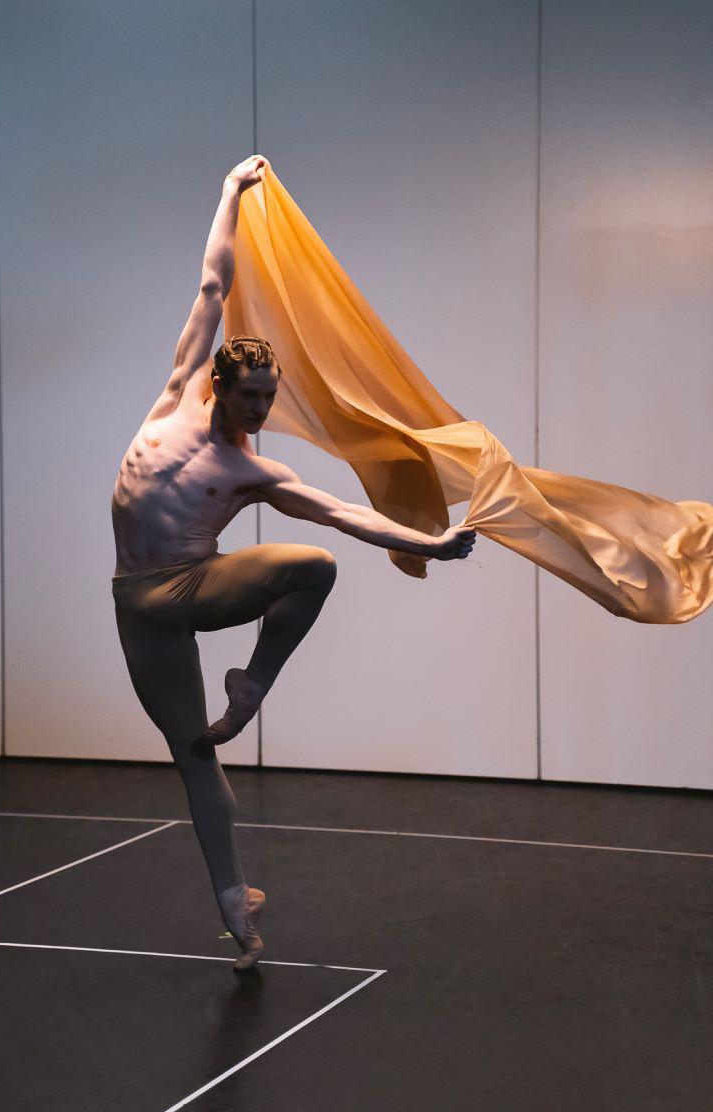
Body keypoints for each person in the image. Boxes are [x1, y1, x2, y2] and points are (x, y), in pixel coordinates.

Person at [111, 155, 475, 969]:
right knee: (192, 755)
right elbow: (213, 285)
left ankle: (254, 684)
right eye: (251, 399)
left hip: (192, 585)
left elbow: (346, 515)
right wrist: (230, 193)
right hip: (135, 600)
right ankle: (235, 905)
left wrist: (432, 543)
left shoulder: (255, 473)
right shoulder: (175, 397)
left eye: (270, 401)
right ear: (218, 384)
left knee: (314, 563)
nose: (262, 412)